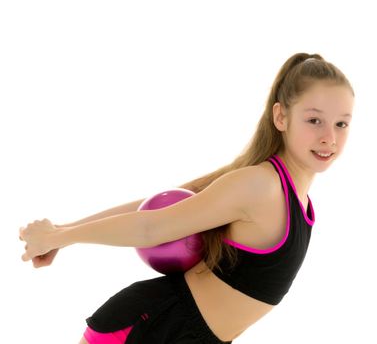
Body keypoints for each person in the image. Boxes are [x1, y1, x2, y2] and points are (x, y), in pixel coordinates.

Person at [19, 52, 355, 344]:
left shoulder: (298, 200)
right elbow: (151, 226)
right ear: (281, 117)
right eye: (314, 120)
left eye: (341, 124)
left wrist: (62, 232)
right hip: (149, 329)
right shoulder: (261, 186)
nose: (329, 137)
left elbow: (159, 204)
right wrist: (61, 236)